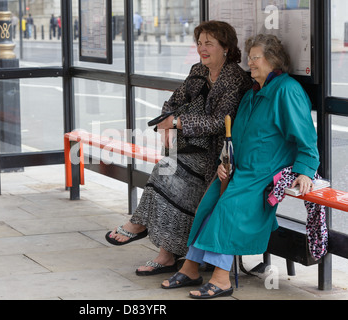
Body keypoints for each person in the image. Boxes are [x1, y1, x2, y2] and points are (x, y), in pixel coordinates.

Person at [161, 34, 320, 299]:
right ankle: (190, 267)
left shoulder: (286, 90)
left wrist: (305, 169)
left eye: (255, 58)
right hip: (238, 168)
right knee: (209, 204)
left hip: (264, 172)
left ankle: (222, 279)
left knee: (229, 209)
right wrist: (225, 163)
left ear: (272, 60)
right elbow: (236, 135)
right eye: (250, 58)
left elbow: (305, 135)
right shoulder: (252, 94)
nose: (250, 63)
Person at [105, 21, 252, 276]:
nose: (201, 49)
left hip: (217, 155)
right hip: (188, 147)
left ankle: (147, 234)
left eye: (209, 43)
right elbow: (173, 101)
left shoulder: (235, 79)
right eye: (199, 43)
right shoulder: (198, 70)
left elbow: (221, 122)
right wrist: (166, 125)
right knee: (168, 178)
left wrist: (179, 122)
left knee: (167, 173)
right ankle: (165, 253)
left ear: (226, 47)